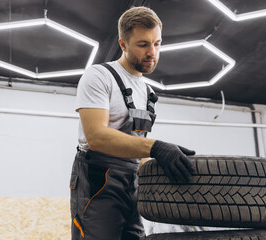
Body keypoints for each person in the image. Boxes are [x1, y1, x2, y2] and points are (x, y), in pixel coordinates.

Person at [70, 6, 196, 240]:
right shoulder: (99, 76)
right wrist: (157, 147)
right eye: (143, 44)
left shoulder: (148, 92)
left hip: (133, 185)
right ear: (123, 44)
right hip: (99, 181)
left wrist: (154, 178)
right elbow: (96, 136)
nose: (152, 52)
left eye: (157, 43)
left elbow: (140, 145)